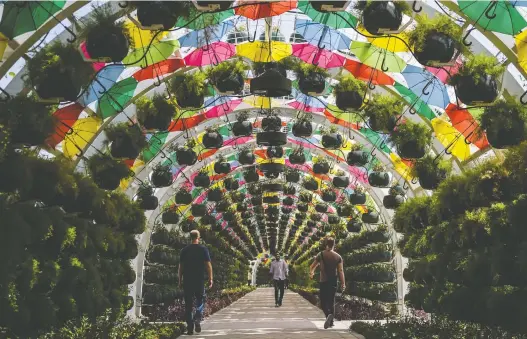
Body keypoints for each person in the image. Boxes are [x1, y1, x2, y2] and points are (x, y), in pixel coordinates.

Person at [179, 230, 213, 335]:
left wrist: (180, 280)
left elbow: (181, 267)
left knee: (188, 304)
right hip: (199, 280)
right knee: (200, 301)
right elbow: (208, 265)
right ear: (199, 237)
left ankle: (190, 327)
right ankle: (197, 318)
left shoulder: (184, 250)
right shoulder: (203, 249)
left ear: (190, 237)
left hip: (188, 280)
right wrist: (210, 278)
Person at [309, 237, 345, 329]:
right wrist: (343, 283)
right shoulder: (338, 257)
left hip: (323, 281)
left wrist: (312, 273)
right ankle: (331, 322)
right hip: (333, 281)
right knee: (331, 300)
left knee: (323, 301)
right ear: (334, 245)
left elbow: (312, 266)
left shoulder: (320, 254)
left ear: (326, 244)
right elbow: (340, 271)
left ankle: (328, 315)